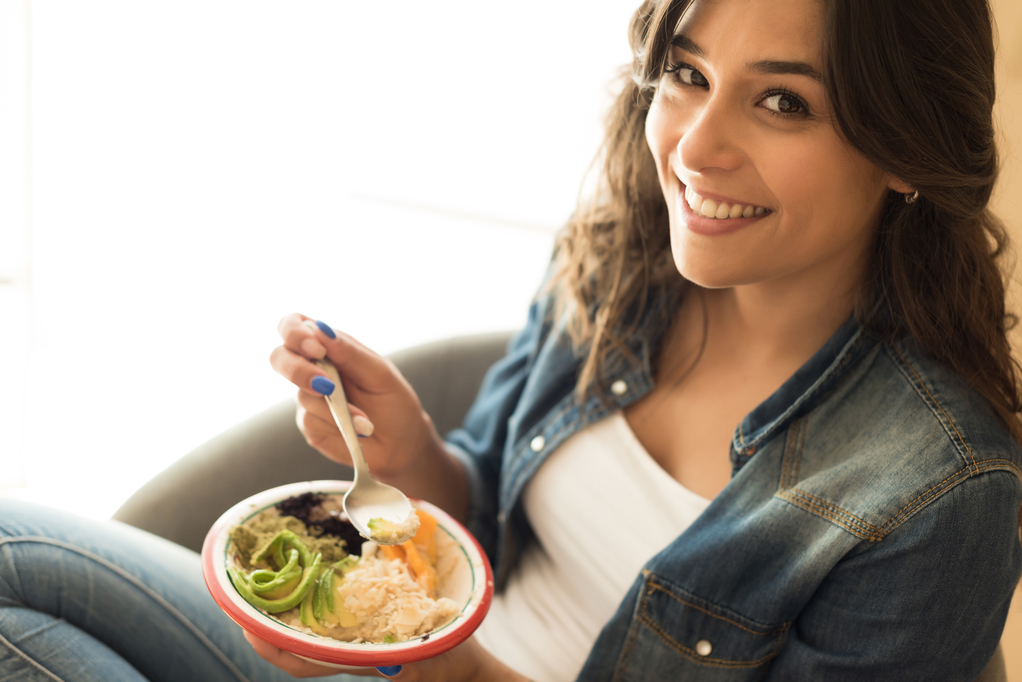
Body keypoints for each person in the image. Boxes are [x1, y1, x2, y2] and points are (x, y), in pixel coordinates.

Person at [1, 0, 1019, 680]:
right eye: (686, 72)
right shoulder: (618, 259)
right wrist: (406, 454)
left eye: (782, 102)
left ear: (905, 151)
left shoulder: (940, 492)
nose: (696, 147)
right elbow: (476, 527)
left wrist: (450, 670)